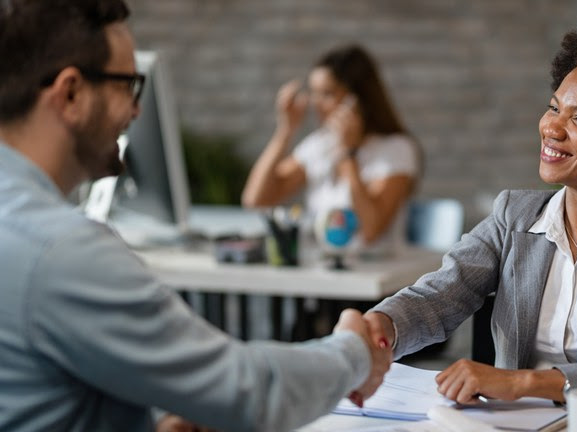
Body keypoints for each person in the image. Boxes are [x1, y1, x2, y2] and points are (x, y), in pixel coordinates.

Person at [0, 1, 389, 431]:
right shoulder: (63, 251)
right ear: (70, 94)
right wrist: (353, 352)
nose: (136, 111)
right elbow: (248, 392)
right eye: (129, 85)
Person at [364, 7, 577, 404]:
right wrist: (377, 327)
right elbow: (439, 296)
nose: (551, 127)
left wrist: (526, 383)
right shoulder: (514, 215)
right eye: (553, 108)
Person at [241, 44, 420, 255]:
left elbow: (371, 231)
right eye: (314, 93)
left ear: (358, 99)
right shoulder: (320, 145)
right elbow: (255, 199)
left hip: (376, 276)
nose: (316, 104)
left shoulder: (397, 149)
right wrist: (285, 131)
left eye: (327, 94)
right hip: (324, 271)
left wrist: (349, 153)